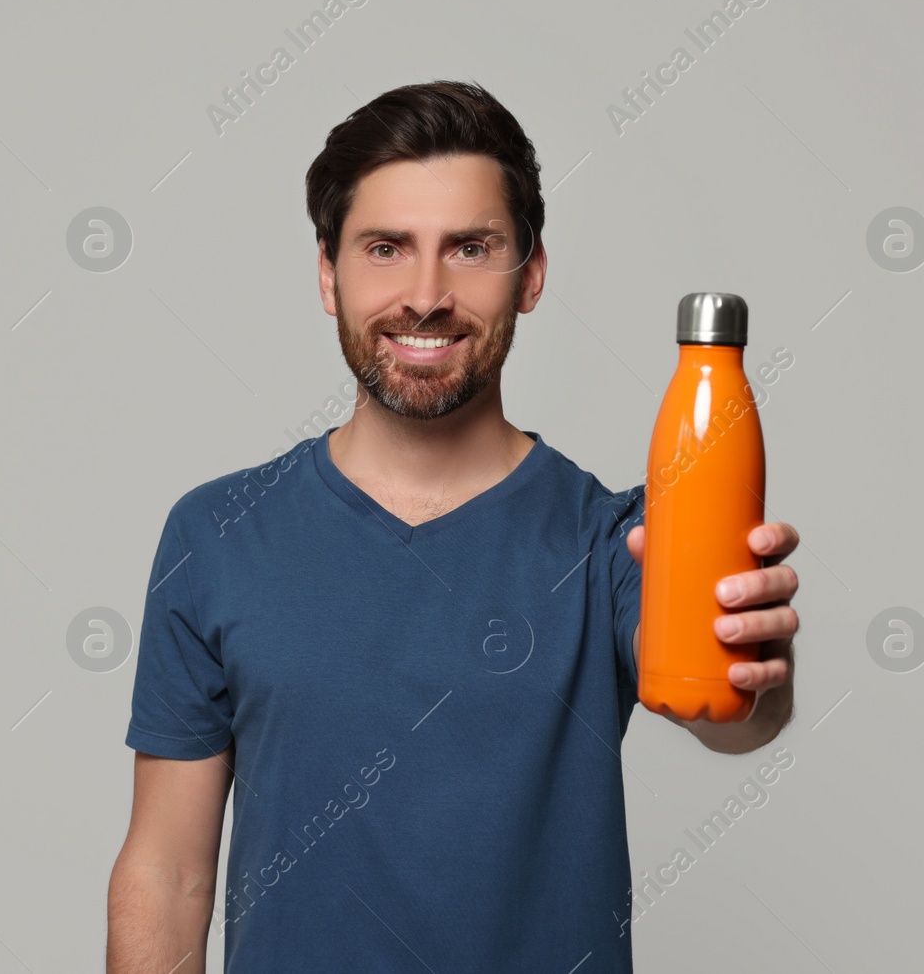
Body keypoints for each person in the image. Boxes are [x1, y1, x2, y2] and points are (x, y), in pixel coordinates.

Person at [106, 80, 800, 973]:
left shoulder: (612, 542)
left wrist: (760, 664)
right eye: (386, 248)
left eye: (471, 248)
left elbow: (732, 718)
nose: (425, 294)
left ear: (532, 273)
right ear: (329, 273)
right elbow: (166, 873)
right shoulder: (218, 534)